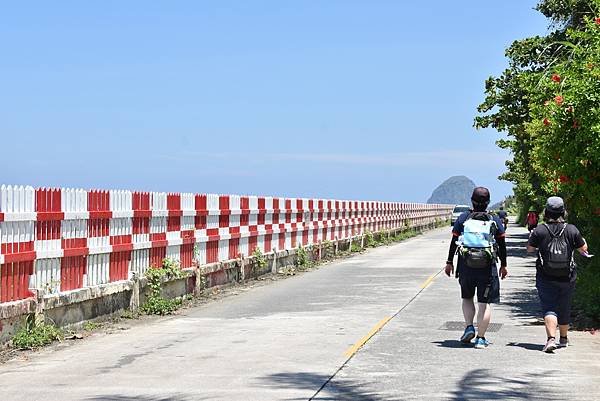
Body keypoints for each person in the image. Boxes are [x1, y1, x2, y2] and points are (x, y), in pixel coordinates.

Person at [444, 187, 508, 349]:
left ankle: (469, 326)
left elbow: (454, 241)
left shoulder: (464, 217)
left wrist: (449, 261)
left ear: (472, 200)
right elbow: (501, 243)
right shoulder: (494, 219)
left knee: (467, 298)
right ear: (488, 202)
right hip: (487, 267)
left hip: (466, 265)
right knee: (484, 303)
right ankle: (480, 338)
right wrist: (504, 265)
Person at [527, 196, 588, 353]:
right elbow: (583, 249)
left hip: (545, 275)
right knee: (564, 306)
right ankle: (564, 338)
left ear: (546, 212)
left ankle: (550, 339)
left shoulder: (540, 230)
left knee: (549, 307)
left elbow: (530, 249)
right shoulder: (571, 229)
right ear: (563, 211)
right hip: (567, 276)